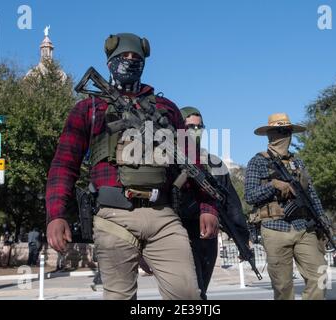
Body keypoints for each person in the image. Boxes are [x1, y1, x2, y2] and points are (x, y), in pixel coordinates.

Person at [46, 33, 219, 300]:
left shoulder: (166, 109)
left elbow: (192, 161)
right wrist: (56, 214)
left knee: (188, 296)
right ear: (109, 63)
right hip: (115, 217)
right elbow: (64, 165)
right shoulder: (89, 108)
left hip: (163, 216)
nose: (130, 62)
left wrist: (207, 207)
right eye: (123, 57)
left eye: (136, 58)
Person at [244, 113, 328, 300]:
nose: (285, 136)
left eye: (288, 131)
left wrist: (323, 221)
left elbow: (311, 194)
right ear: (270, 134)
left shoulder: (297, 162)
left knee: (320, 276)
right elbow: (249, 196)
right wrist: (273, 185)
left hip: (304, 227)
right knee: (283, 286)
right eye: (280, 131)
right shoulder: (258, 161)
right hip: (275, 229)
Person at [179, 106, 250, 300]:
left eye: (200, 127)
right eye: (190, 127)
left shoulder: (215, 163)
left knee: (201, 292)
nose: (196, 131)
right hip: (178, 233)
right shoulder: (167, 161)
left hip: (207, 237)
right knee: (191, 293)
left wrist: (242, 239)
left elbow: (232, 206)